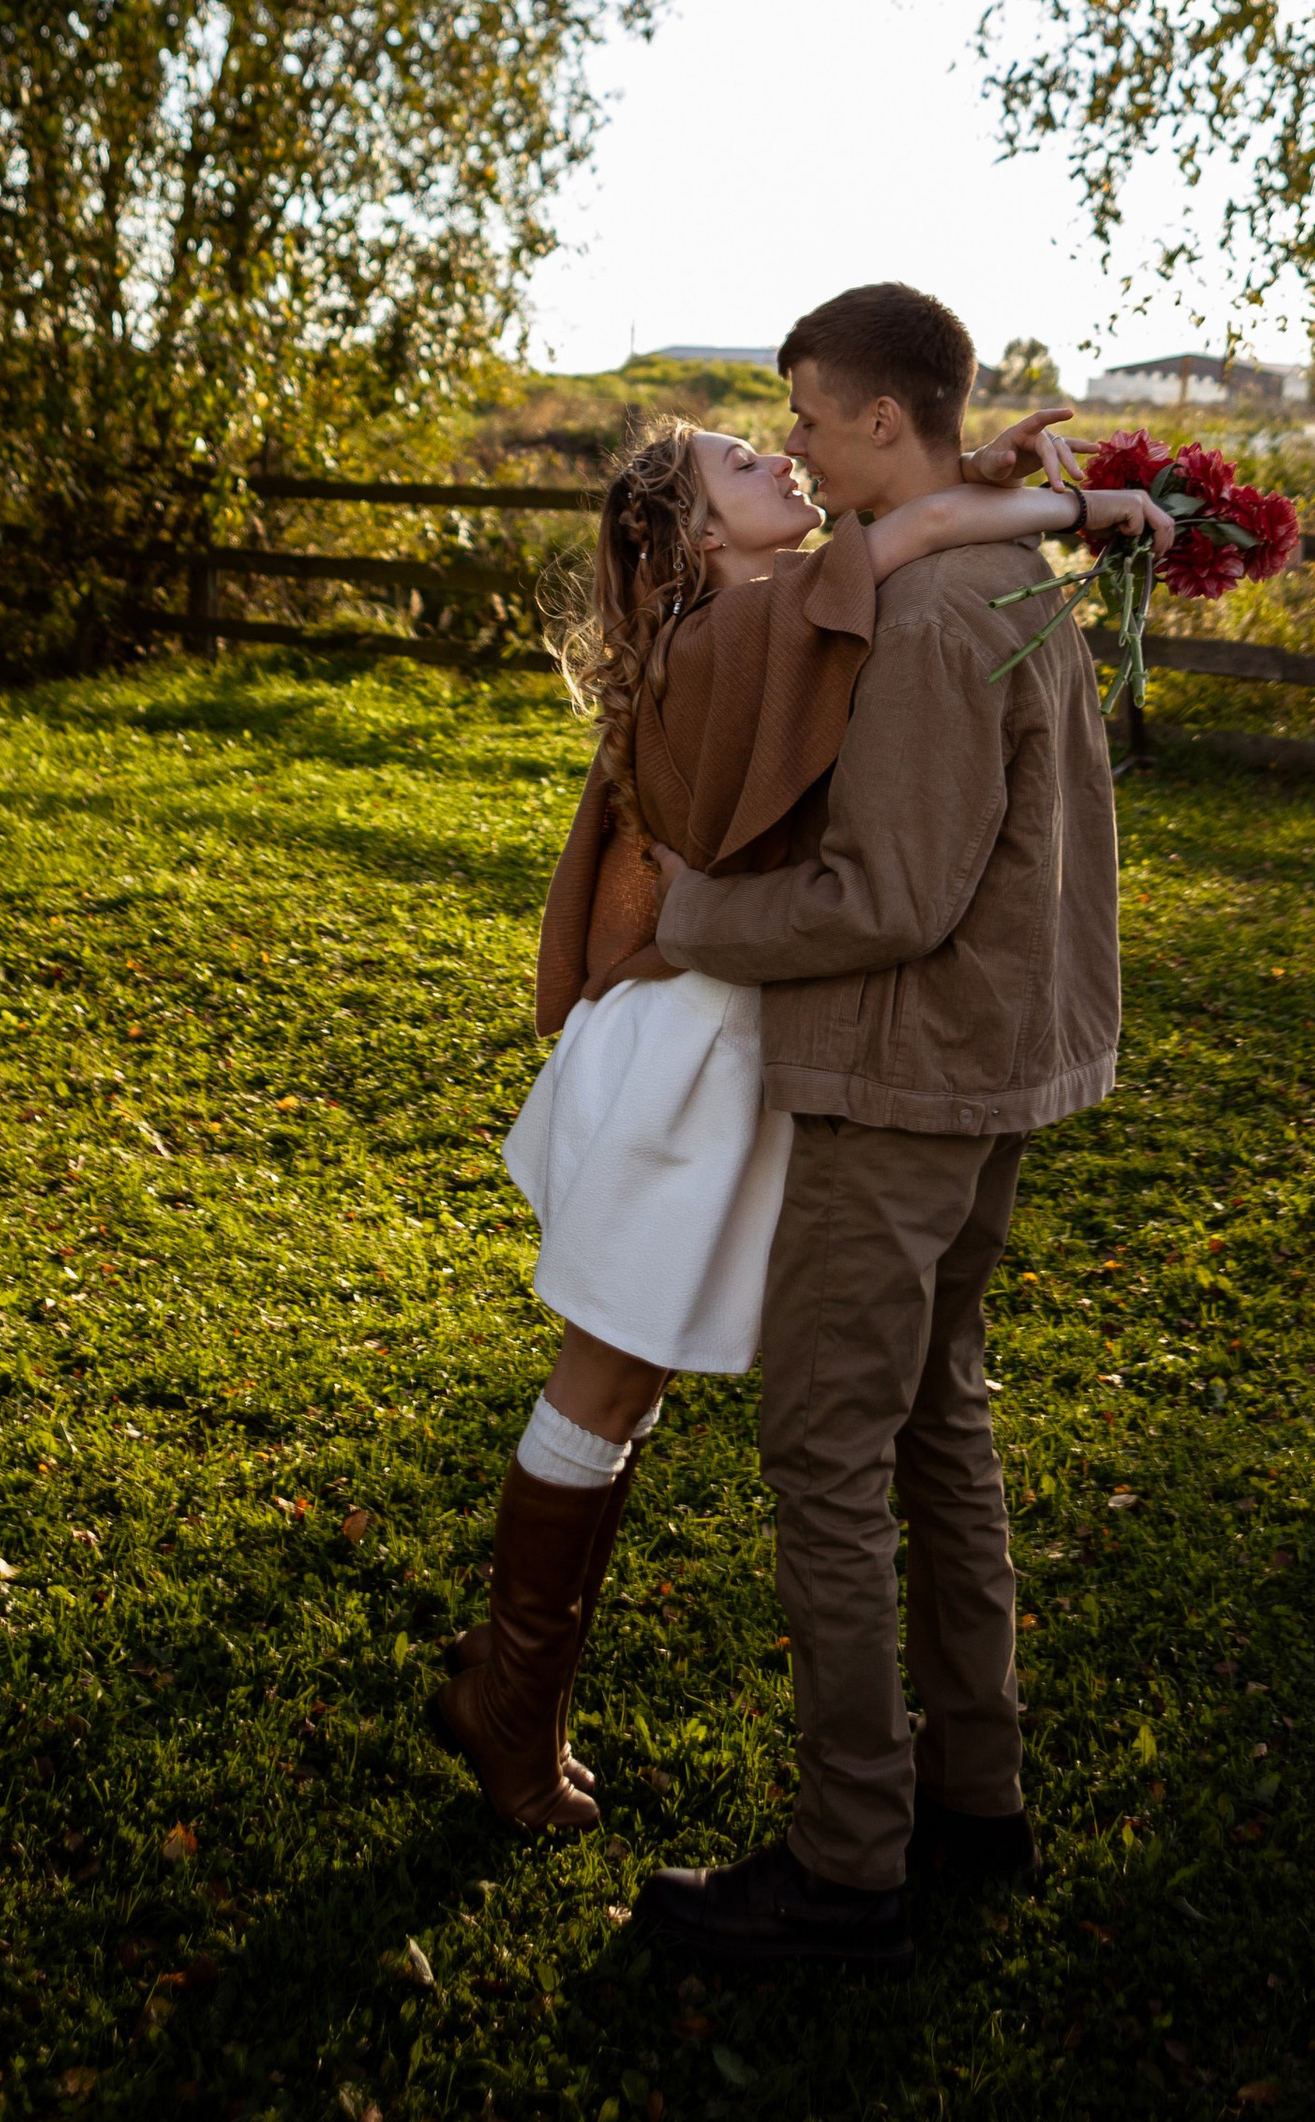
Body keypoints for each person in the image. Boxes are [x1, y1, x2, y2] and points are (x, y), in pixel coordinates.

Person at [429, 395, 1164, 1834]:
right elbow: (923, 527)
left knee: (624, 1389)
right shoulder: (735, 634)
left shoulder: (783, 615)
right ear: (700, 537)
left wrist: (990, 465)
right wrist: (1086, 510)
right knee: (605, 1378)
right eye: (738, 464)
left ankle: (512, 1694)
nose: (779, 457)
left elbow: (909, 528)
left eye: (775, 444)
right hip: (689, 1053)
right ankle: (506, 1704)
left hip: (744, 1032)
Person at [628, 282, 1123, 1974]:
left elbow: (891, 896)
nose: (804, 454)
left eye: (819, 424)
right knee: (938, 1427)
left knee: (827, 1453)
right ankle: (976, 1796)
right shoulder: (1007, 577)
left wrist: (697, 918)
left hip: (905, 1077)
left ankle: (850, 1862)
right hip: (1000, 1071)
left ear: (891, 422)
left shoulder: (925, 616)